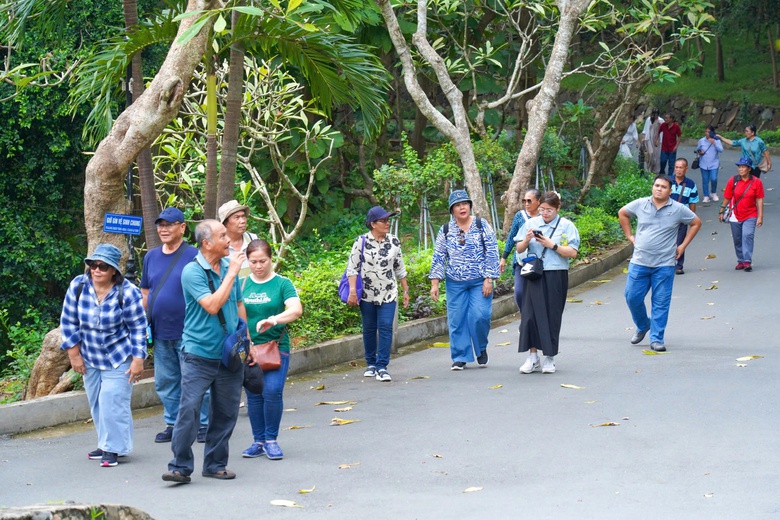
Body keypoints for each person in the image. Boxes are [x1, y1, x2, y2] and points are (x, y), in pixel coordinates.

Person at [163, 219, 247, 484]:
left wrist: (248, 342)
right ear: (207, 243)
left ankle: (215, 464)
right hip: (198, 354)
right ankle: (179, 466)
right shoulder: (192, 271)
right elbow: (211, 305)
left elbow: (239, 304)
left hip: (229, 354)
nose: (229, 240)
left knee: (226, 412)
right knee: (189, 409)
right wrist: (233, 272)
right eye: (223, 236)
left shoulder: (226, 266)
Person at [60, 243, 147, 468]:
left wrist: (138, 359)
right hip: (89, 355)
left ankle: (113, 449)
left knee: (113, 401)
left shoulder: (127, 292)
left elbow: (138, 327)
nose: (96, 270)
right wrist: (74, 355)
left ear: (113, 271)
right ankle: (105, 442)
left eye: (103, 266)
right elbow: (68, 322)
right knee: (97, 402)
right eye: (92, 265)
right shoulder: (78, 286)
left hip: (118, 356)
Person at [140, 208, 210, 444]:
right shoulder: (150, 257)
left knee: (195, 379)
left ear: (182, 227)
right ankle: (173, 423)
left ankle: (204, 424)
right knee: (166, 380)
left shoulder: (194, 255)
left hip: (190, 331)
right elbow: (146, 291)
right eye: (160, 225)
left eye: (169, 224)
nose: (164, 229)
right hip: (160, 331)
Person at [618, 174, 702, 352]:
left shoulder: (678, 208)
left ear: (670, 191)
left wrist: (683, 246)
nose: (659, 189)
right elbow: (623, 213)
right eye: (656, 185)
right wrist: (629, 236)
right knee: (632, 297)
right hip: (640, 261)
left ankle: (656, 339)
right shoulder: (641, 204)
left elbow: (696, 223)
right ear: (652, 187)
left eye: (663, 187)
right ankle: (643, 325)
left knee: (661, 302)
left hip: (664, 264)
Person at [241, 239, 303, 460]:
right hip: (248, 349)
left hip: (276, 347)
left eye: (263, 261)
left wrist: (274, 319)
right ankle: (258, 441)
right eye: (253, 261)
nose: (258, 266)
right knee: (254, 395)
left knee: (272, 391)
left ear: (271, 259)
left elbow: (296, 310)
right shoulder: (241, 284)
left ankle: (271, 440)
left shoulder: (282, 284)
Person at [429, 190, 500, 370]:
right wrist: (435, 283)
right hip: (455, 282)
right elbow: (439, 256)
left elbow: (492, 252)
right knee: (457, 320)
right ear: (452, 210)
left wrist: (489, 278)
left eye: (465, 203)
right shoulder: (446, 229)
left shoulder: (481, 224)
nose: (462, 207)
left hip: (479, 281)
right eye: (457, 205)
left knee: (480, 316)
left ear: (470, 205)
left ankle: (481, 347)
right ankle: (460, 356)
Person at [514, 191, 580, 374]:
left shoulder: (566, 226)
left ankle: (550, 357)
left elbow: (573, 252)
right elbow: (518, 247)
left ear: (558, 208)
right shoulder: (531, 223)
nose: (545, 213)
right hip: (534, 274)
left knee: (552, 315)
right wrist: (527, 239)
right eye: (542, 209)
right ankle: (532, 356)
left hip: (556, 273)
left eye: (549, 210)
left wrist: (552, 245)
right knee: (529, 315)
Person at [346, 206, 410, 382]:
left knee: (385, 326)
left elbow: (400, 268)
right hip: (366, 293)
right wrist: (352, 291)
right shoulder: (361, 242)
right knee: (369, 328)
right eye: (383, 220)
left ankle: (382, 366)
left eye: (388, 220)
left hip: (388, 292)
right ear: (373, 224)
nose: (387, 223)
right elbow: (352, 268)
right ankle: (371, 364)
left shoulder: (394, 241)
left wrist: (406, 291)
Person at [719, 158, 765, 272]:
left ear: (749, 169)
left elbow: (759, 199)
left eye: (743, 167)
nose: (741, 169)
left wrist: (760, 216)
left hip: (750, 214)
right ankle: (740, 260)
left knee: (747, 235)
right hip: (735, 214)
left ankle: (747, 261)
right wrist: (721, 211)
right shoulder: (733, 180)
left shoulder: (756, 182)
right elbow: (727, 197)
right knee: (737, 239)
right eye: (739, 167)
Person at [499, 189, 541, 312]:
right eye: (524, 201)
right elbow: (512, 237)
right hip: (522, 260)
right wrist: (504, 257)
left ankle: (534, 320)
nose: (526, 204)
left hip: (539, 261)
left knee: (537, 293)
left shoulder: (543, 216)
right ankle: (525, 317)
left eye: (529, 201)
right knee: (519, 292)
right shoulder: (519, 216)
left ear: (538, 201)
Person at [668, 158, 699, 275]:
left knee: (680, 241)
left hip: (682, 217)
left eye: (681, 168)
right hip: (666, 216)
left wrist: (692, 219)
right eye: (676, 167)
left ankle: (679, 265)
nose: (678, 170)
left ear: (686, 169)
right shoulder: (668, 181)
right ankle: (665, 263)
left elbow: (693, 201)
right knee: (666, 240)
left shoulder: (690, 184)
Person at [217, 200, 257, 277]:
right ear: (225, 223)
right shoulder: (219, 245)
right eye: (237, 217)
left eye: (243, 216)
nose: (242, 221)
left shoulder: (253, 239)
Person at [695, 125, 724, 203]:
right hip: (703, 163)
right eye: (706, 131)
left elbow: (721, 150)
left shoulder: (717, 140)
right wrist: (700, 151)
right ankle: (706, 195)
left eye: (709, 132)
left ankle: (713, 192)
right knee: (705, 180)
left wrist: (714, 143)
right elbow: (697, 149)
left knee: (714, 178)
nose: (707, 133)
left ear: (712, 132)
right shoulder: (702, 140)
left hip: (714, 163)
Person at [641, 109, 664, 174]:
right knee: (651, 153)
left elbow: (663, 130)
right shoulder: (649, 120)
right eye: (654, 114)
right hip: (649, 138)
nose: (656, 116)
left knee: (656, 154)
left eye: (657, 114)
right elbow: (645, 129)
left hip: (657, 138)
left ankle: (655, 169)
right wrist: (643, 138)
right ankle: (649, 168)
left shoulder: (661, 120)